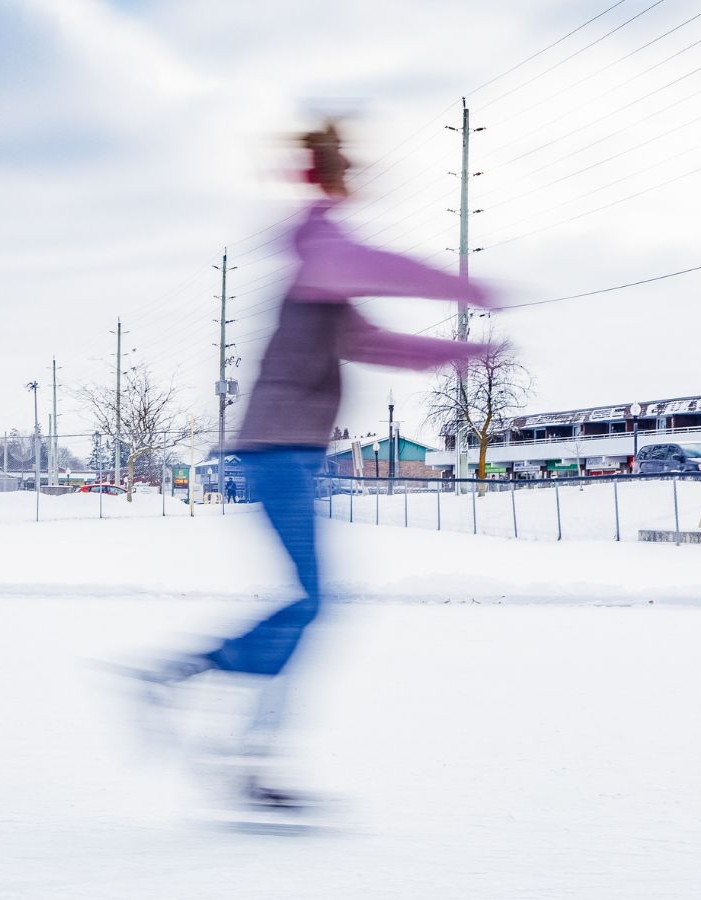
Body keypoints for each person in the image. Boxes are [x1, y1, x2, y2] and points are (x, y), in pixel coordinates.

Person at [134, 121, 495, 811]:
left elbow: (374, 343)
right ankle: (200, 693)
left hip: (291, 454)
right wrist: (466, 286)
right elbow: (383, 268)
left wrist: (463, 353)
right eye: (346, 176)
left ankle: (219, 714)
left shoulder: (322, 263)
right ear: (331, 180)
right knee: (313, 601)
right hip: (278, 453)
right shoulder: (320, 244)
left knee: (310, 603)